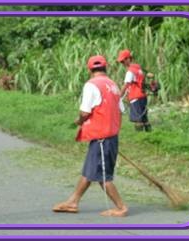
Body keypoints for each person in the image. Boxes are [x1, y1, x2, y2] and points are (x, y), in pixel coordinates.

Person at [52, 55, 128, 217]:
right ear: (106, 68)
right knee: (89, 171)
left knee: (102, 175)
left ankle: (121, 207)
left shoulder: (91, 85)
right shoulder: (113, 85)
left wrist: (79, 121)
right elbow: (121, 109)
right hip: (110, 136)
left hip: (102, 137)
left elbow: (85, 111)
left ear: (89, 70)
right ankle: (73, 202)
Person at [117, 49, 152, 132]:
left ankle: (140, 138)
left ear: (129, 59)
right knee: (144, 118)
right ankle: (149, 135)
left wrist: (119, 96)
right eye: (121, 61)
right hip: (143, 96)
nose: (123, 63)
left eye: (124, 60)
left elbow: (126, 85)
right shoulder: (137, 67)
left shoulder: (130, 72)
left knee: (138, 119)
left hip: (136, 97)